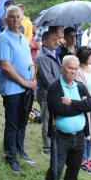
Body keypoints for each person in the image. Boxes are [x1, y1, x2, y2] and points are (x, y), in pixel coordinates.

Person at [41, 55, 91, 180]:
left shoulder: (80, 86)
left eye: (76, 68)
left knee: (73, 169)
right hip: (61, 137)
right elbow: (58, 109)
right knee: (55, 170)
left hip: (78, 136)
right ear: (63, 68)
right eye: (70, 68)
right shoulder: (55, 87)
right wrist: (81, 106)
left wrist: (71, 103)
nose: (73, 71)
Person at [0, 5, 37, 172]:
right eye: (11, 17)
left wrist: (31, 81)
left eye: (17, 16)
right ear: (6, 20)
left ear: (21, 18)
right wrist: (23, 82)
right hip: (13, 88)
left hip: (26, 88)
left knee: (23, 122)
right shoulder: (3, 38)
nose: (15, 19)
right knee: (12, 124)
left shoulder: (22, 37)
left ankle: (20, 150)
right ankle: (10, 157)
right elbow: (5, 66)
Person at [35, 31, 62, 159]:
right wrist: (62, 88)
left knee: (53, 121)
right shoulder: (42, 57)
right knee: (47, 121)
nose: (56, 42)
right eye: (53, 40)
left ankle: (53, 146)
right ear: (45, 42)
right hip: (46, 95)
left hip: (54, 93)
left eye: (57, 39)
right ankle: (47, 149)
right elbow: (48, 79)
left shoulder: (54, 54)